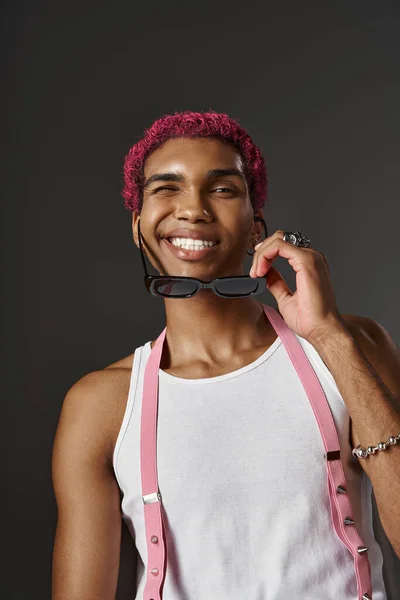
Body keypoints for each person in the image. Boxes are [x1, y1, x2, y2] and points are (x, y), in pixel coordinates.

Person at [51, 110, 400, 600]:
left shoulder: (353, 346)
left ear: (257, 226)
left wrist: (330, 337)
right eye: (166, 188)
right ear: (138, 225)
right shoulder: (100, 404)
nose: (192, 209)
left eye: (221, 189)